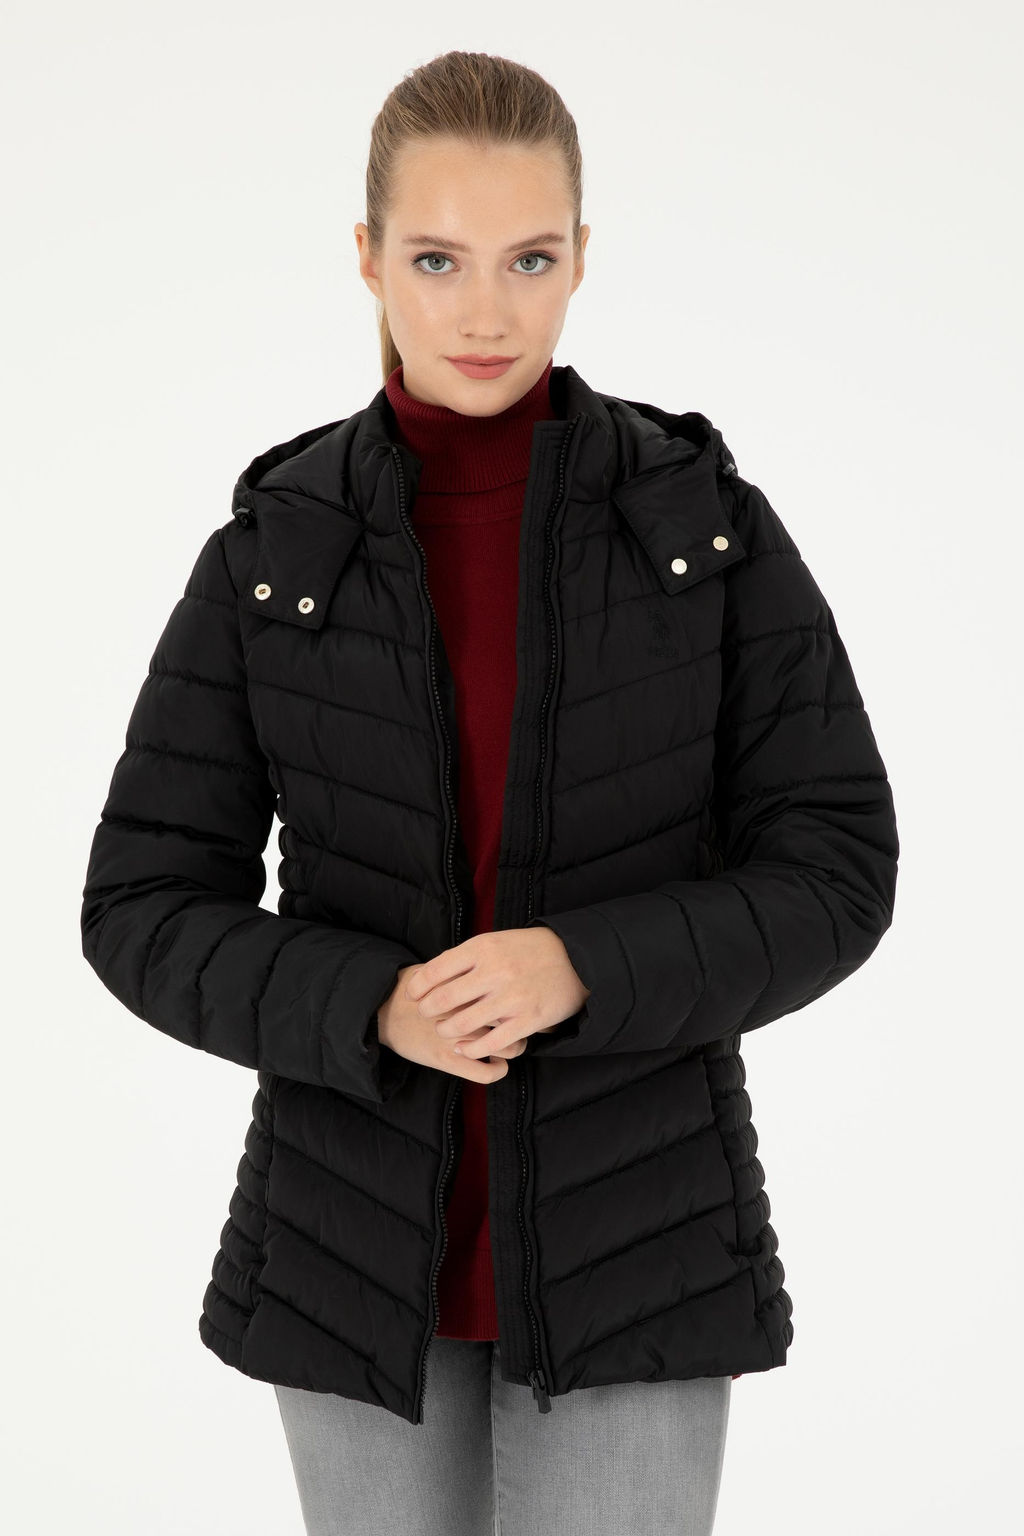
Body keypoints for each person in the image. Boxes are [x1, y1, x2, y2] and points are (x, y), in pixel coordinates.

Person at [80, 49, 899, 1536]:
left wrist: (582, 965)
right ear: (367, 257)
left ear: (582, 256)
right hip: (349, 1252)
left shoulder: (702, 529)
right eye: (436, 258)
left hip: (639, 1244)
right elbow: (141, 904)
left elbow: (836, 868)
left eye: (528, 259)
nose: (485, 311)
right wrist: (371, 1006)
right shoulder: (276, 551)